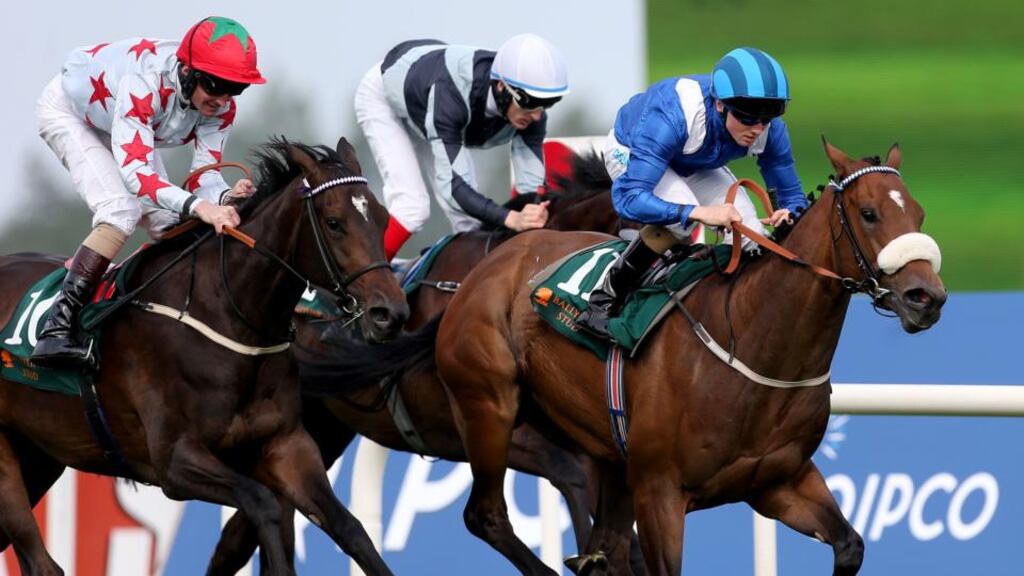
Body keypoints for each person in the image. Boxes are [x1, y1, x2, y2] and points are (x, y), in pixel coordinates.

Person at [31, 16, 266, 367]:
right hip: (72, 114)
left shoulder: (222, 108)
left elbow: (204, 179)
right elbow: (137, 175)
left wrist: (225, 198)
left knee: (170, 221)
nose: (222, 99)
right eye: (215, 84)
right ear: (188, 73)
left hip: (125, 122)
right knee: (120, 210)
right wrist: (202, 207)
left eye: (236, 88)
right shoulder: (146, 83)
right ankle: (57, 328)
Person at [576, 47, 809, 338]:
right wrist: (698, 212)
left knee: (751, 233)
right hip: (632, 149)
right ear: (720, 104)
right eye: (748, 118)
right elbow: (629, 198)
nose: (757, 128)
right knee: (680, 222)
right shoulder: (674, 114)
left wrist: (790, 212)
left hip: (694, 159)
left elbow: (794, 198)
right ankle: (602, 302)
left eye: (768, 117)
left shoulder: (768, 130)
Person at [354, 34, 570, 260]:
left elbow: (530, 188)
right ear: (501, 87)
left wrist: (533, 213)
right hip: (386, 97)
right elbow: (454, 188)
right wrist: (511, 218)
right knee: (413, 207)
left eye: (548, 103)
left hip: (427, 94)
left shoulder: (532, 113)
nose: (537, 115)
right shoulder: (452, 97)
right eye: (530, 102)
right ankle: (356, 284)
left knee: (470, 223)